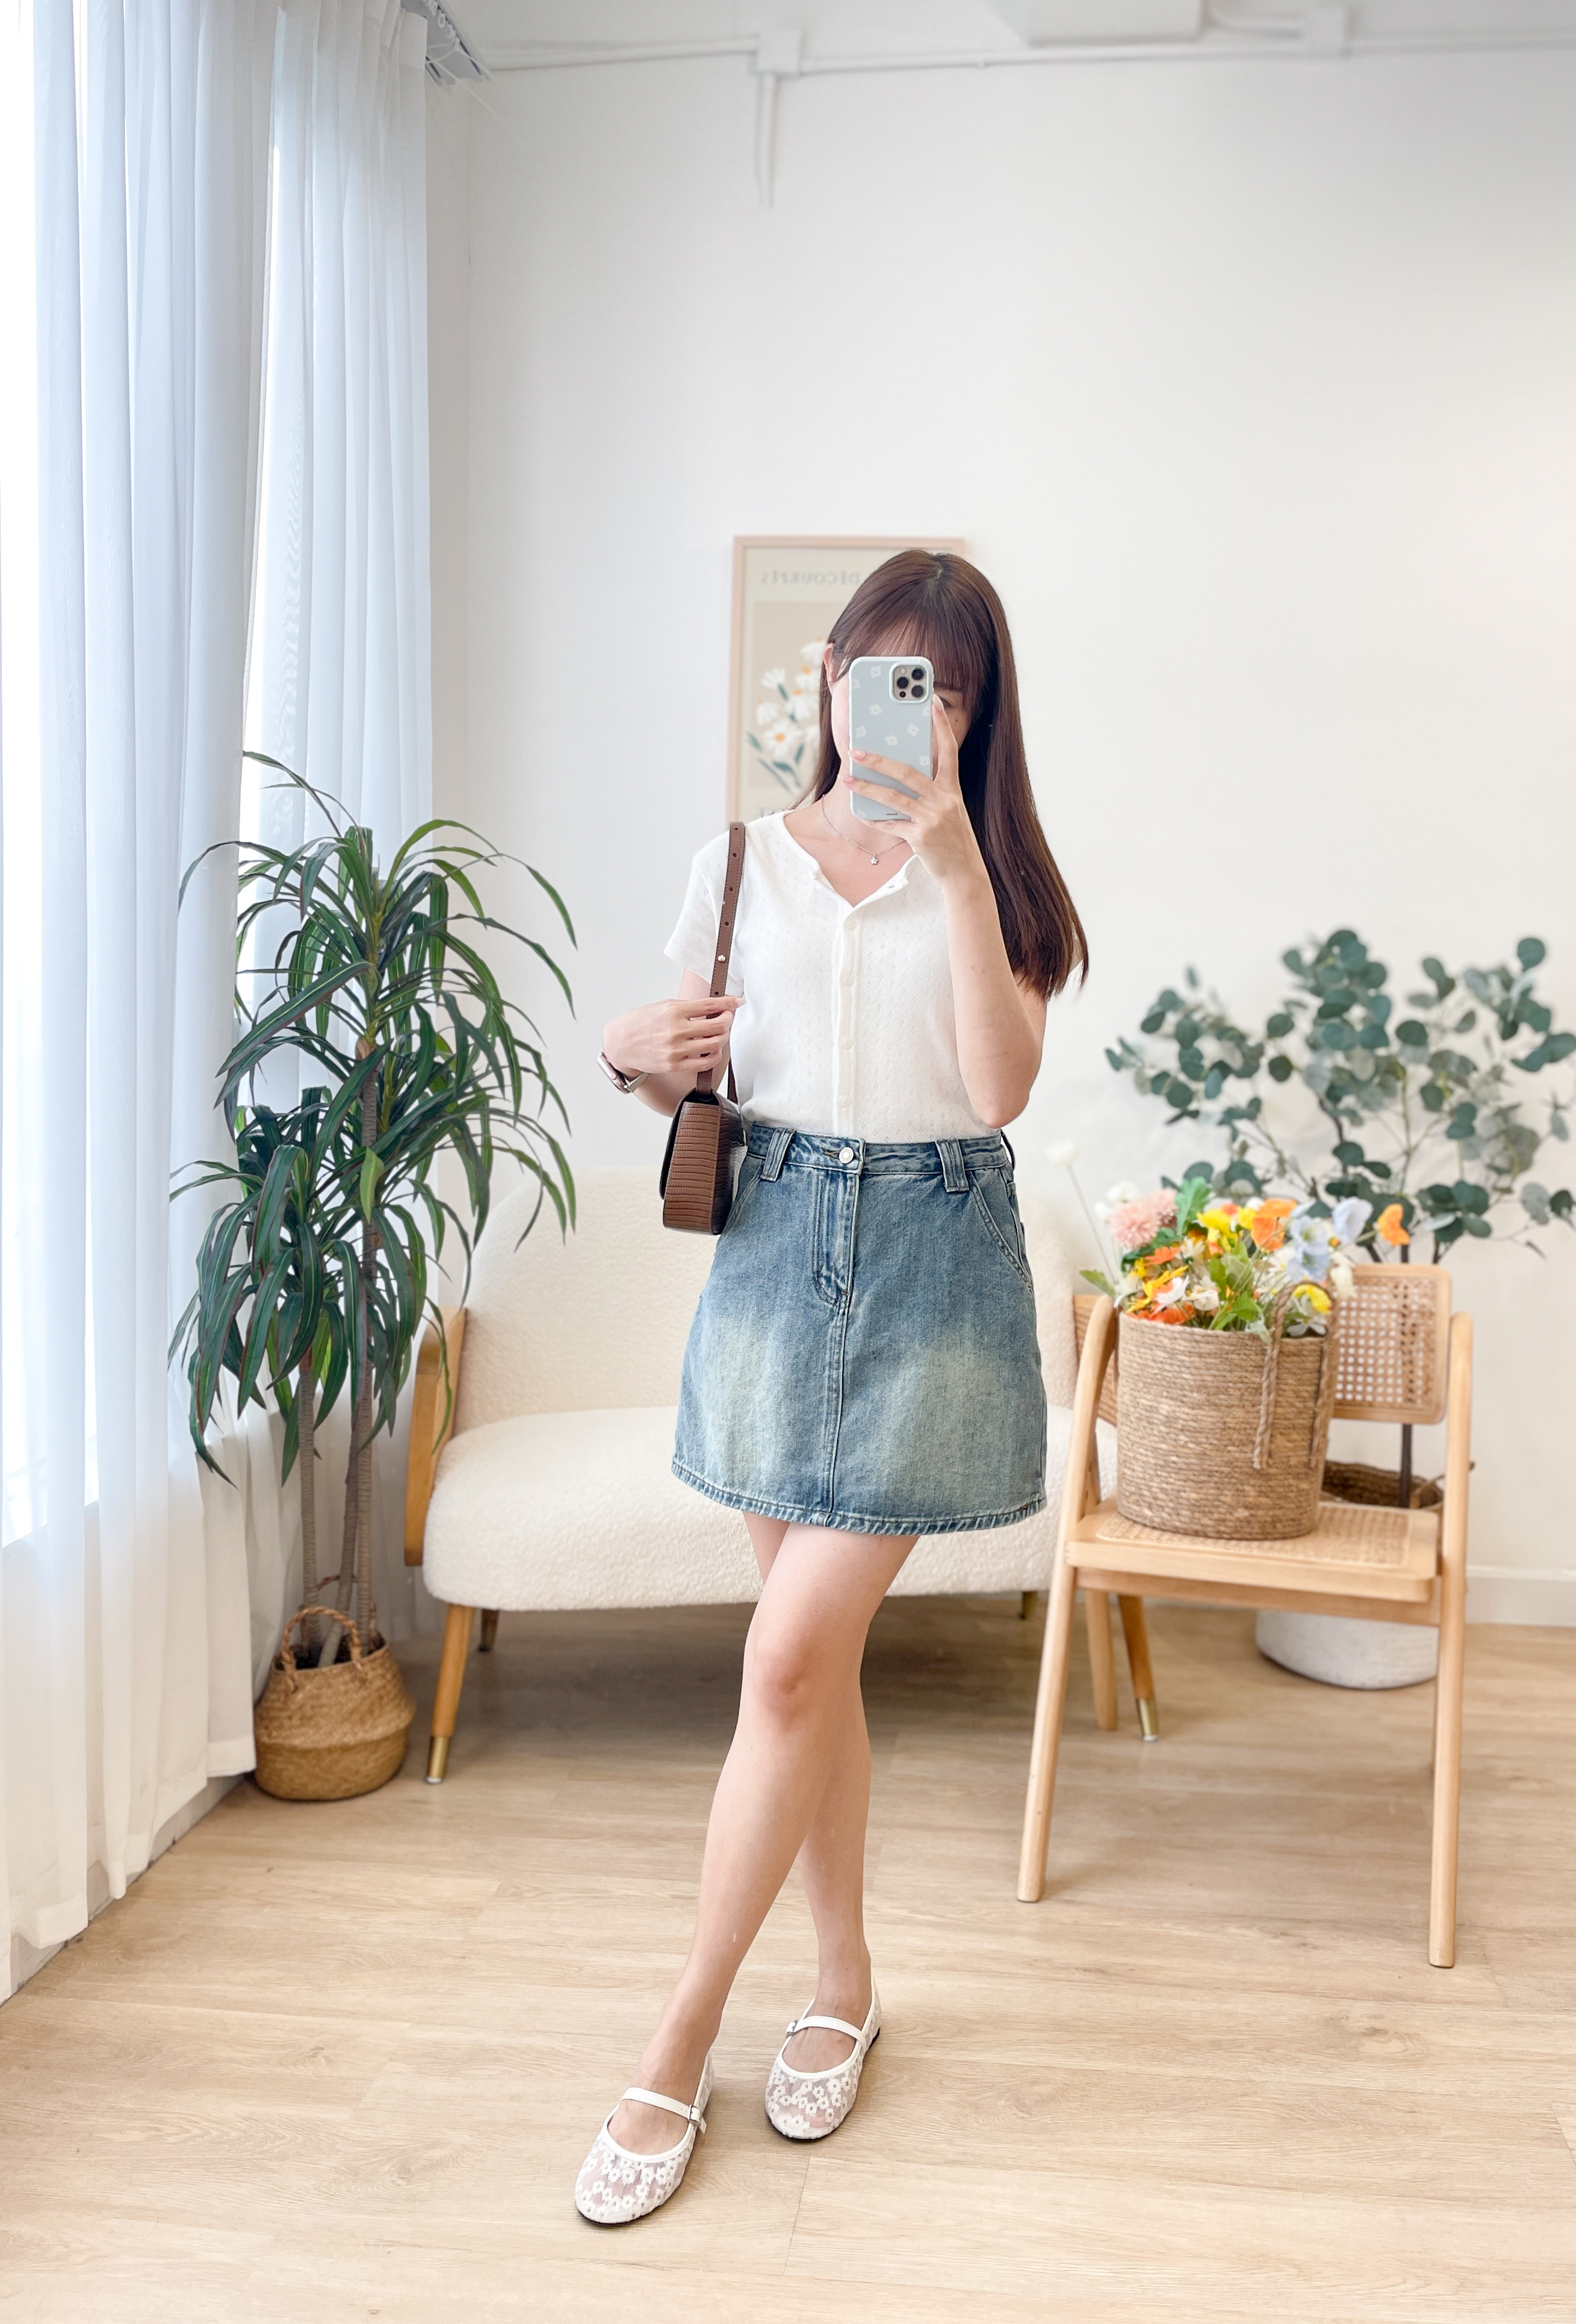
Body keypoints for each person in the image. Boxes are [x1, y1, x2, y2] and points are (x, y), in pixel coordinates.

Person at [577, 549, 1088, 2225]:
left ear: (976, 711)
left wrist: (953, 869)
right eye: (878, 674)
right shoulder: (739, 862)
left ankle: (677, 2037)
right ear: (831, 680)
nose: (902, 710)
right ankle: (846, 1979)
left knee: (788, 1659)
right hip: (776, 1264)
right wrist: (629, 1052)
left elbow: (997, 1093)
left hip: (935, 1275)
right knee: (814, 1674)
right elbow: (676, 1063)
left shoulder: (1001, 884)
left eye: (939, 684)